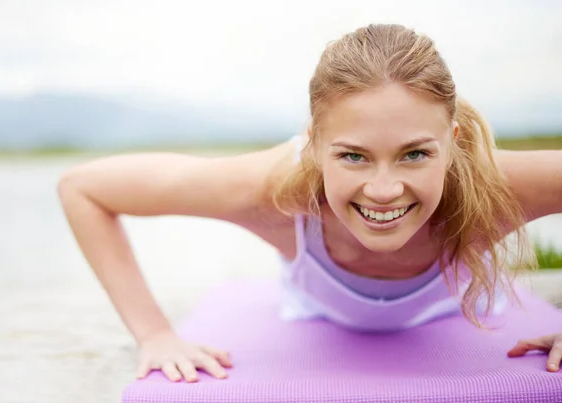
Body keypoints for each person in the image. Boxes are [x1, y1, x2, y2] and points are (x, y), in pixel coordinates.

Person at [57, 24, 562, 382]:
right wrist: (154, 335)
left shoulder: (497, 187)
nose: (383, 190)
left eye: (414, 154)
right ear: (314, 144)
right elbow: (84, 188)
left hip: (462, 309)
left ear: (451, 142)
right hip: (316, 313)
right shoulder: (270, 195)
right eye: (353, 156)